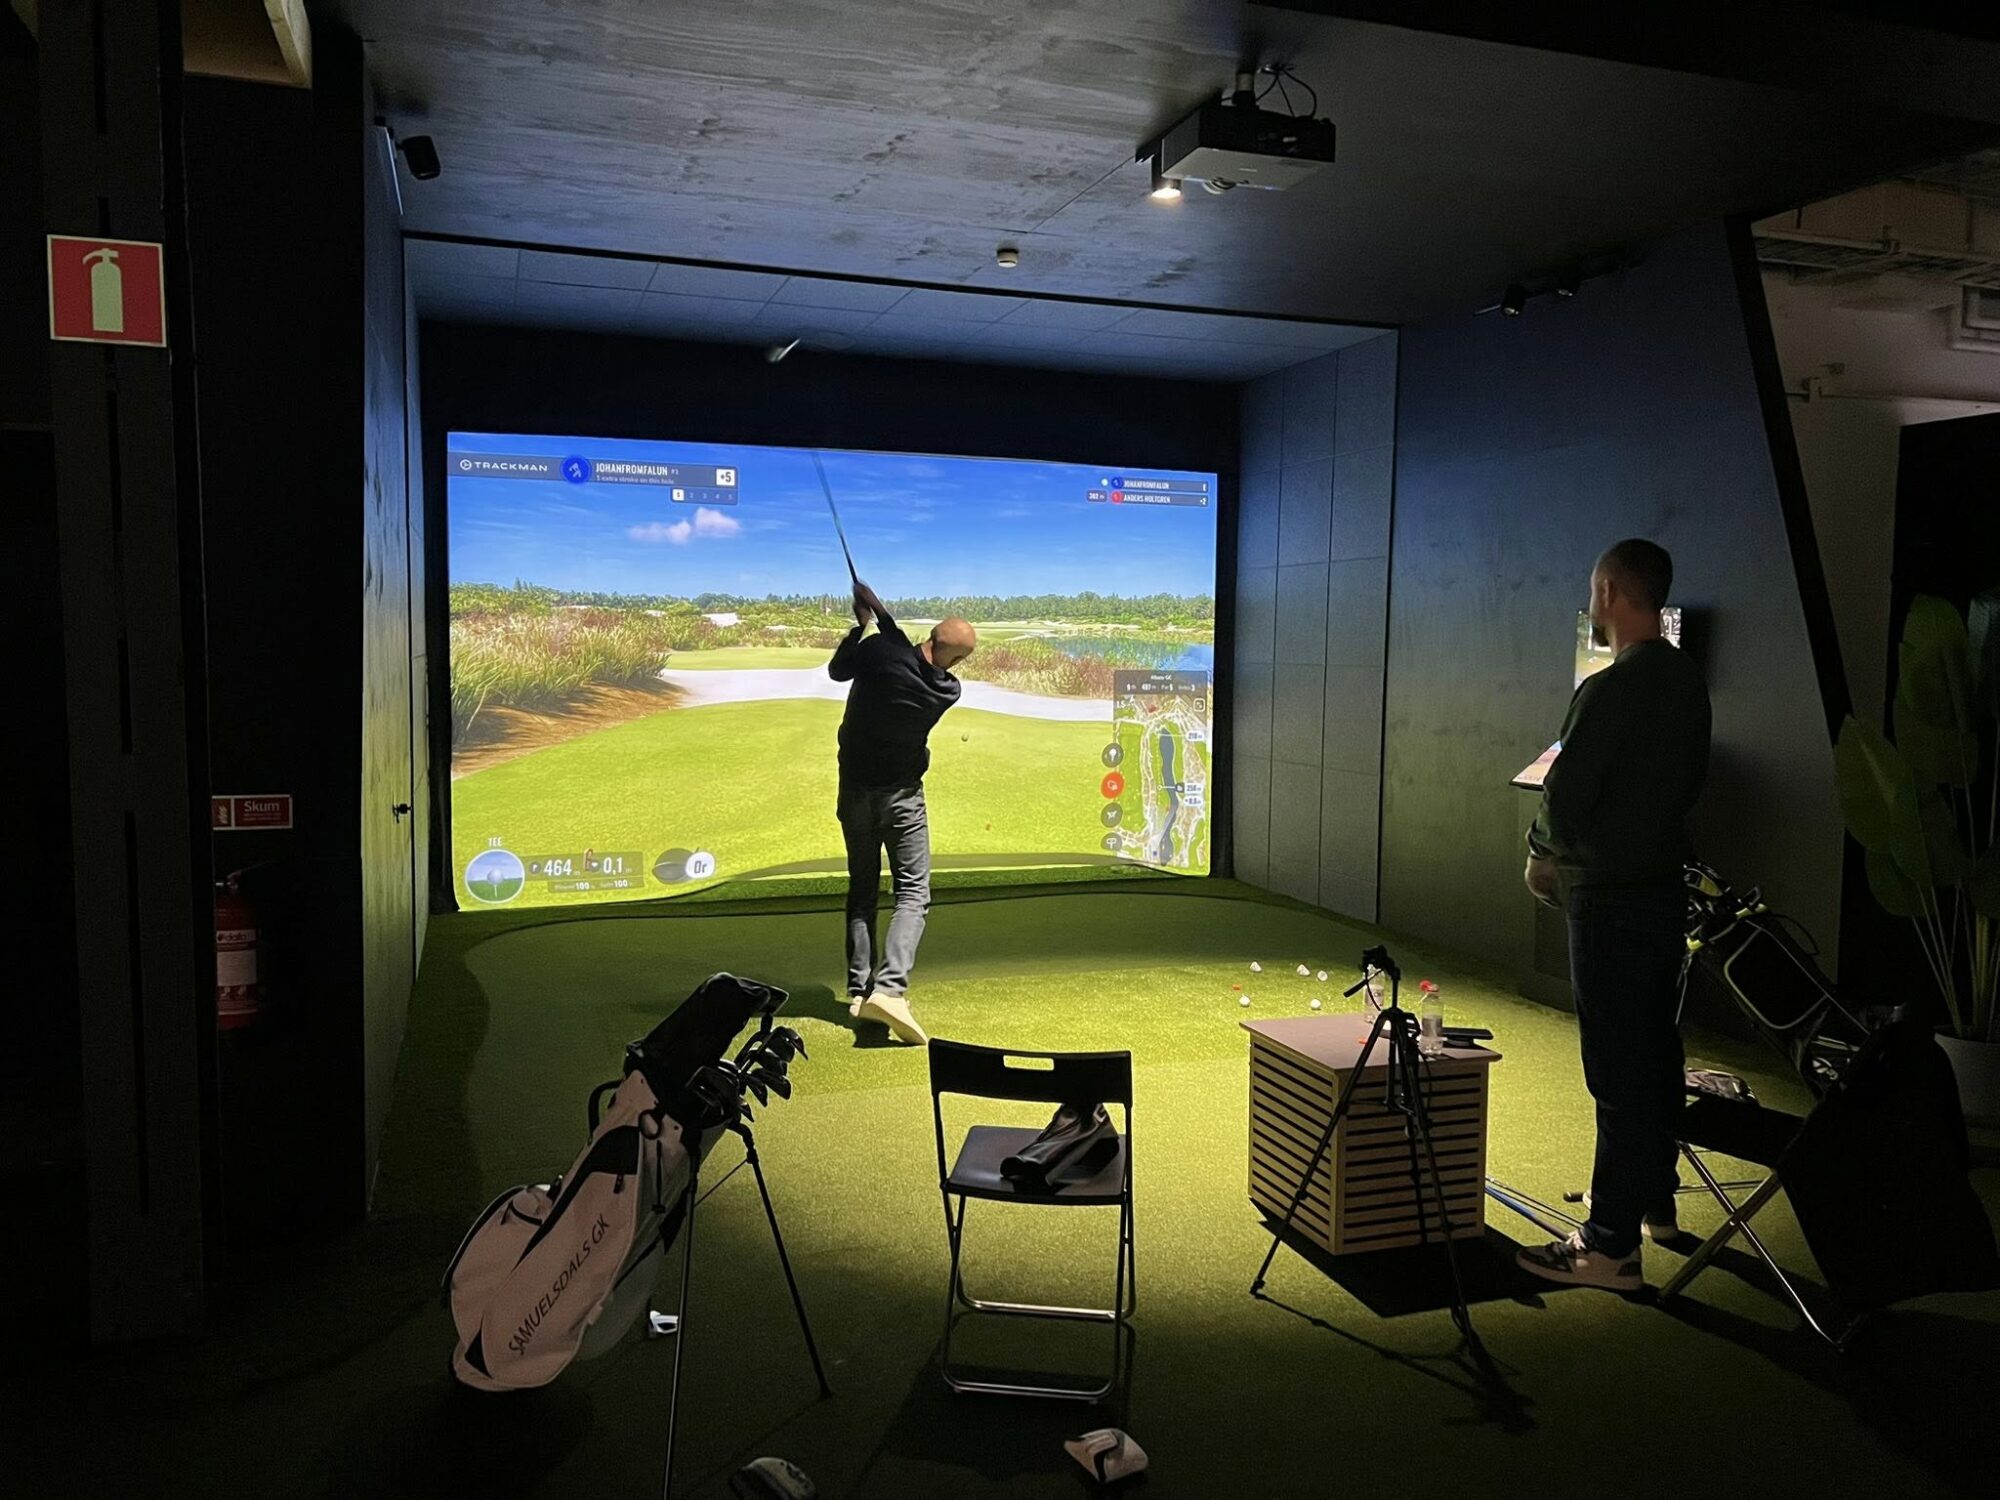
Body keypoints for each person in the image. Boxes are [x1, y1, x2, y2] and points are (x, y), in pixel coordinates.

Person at [1517, 539, 1711, 1291]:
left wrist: (1541, 854)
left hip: (1607, 899)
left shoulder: (1608, 688)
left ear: (1607, 592)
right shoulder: (1687, 683)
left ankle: (1608, 1246)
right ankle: (1654, 1203)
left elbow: (1566, 795)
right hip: (1663, 894)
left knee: (1616, 1070)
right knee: (1655, 1051)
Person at [827, 579, 977, 1044]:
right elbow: (909, 655)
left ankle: (859, 993)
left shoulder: (878, 654)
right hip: (903, 800)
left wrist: (862, 625)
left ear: (930, 635)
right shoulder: (946, 689)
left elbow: (841, 669)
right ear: (956, 660)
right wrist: (881, 614)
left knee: (863, 891)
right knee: (912, 893)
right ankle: (889, 991)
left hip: (854, 794)